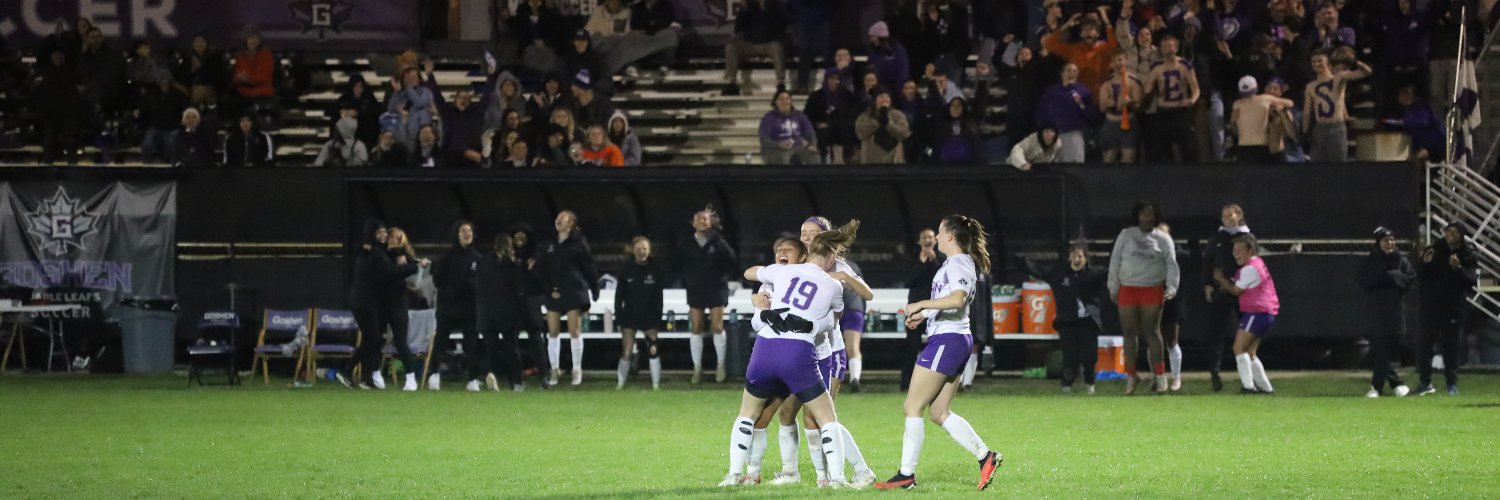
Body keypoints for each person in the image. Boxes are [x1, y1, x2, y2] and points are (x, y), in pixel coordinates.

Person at [722, 220, 870, 489]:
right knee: (824, 418)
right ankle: (832, 479)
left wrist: (764, 303)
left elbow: (750, 273)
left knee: (750, 413)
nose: (807, 237)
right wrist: (766, 307)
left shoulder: (781, 273)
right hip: (801, 351)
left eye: (812, 234)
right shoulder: (829, 284)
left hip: (769, 349)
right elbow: (832, 320)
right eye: (803, 234)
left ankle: (735, 475)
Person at [875, 214, 1003, 491]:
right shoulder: (957, 263)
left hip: (948, 340)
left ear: (948, 236)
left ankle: (906, 475)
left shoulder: (957, 263)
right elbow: (952, 302)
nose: (936, 232)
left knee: (912, 406)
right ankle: (986, 456)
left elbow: (957, 299)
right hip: (955, 338)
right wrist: (925, 314)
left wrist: (920, 303)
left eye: (940, 229)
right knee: (939, 411)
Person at [338, 220, 425, 389]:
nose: (386, 237)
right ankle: (350, 371)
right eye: (382, 233)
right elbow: (389, 273)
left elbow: (393, 267)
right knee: (373, 339)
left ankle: (368, 377)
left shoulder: (377, 251)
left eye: (387, 233)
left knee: (377, 340)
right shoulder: (375, 252)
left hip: (376, 303)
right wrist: (414, 266)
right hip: (367, 302)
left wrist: (404, 258)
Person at [1107, 201, 1179, 394]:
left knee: (1152, 332)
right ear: (1137, 216)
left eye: (1150, 214)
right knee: (1129, 333)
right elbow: (1115, 260)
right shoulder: (1126, 235)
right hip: (1128, 288)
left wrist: (1172, 286)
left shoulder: (1163, 238)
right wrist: (1113, 285)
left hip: (1152, 288)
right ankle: (1131, 375)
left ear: (1156, 217)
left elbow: (1171, 263)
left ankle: (1160, 375)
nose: (1146, 217)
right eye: (1143, 214)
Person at [1026, 244, 1108, 394]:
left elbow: (1109, 273)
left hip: (1088, 321)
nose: (1077, 259)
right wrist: (1022, 261)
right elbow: (1039, 271)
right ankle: (1066, 386)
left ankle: (1090, 384)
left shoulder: (1094, 274)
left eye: (1080, 257)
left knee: (1089, 355)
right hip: (1067, 322)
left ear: (1085, 259)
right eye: (1074, 256)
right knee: (1069, 355)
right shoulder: (1059, 274)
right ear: (1069, 257)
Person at [538, 211, 600, 386]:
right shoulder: (550, 243)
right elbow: (543, 269)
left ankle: (576, 369)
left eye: (562, 218)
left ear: (571, 223)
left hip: (574, 290)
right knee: (553, 331)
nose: (558, 219)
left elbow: (588, 266)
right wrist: (549, 289)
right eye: (557, 217)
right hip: (554, 292)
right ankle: (555, 370)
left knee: (574, 330)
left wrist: (594, 288)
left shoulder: (579, 243)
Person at [678, 209, 738, 384]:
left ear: (711, 222)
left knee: (717, 327)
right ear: (693, 223)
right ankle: (697, 368)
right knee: (696, 327)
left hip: (716, 289)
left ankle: (720, 366)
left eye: (705, 220)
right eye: (699, 219)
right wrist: (688, 281)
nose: (702, 222)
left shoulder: (718, 241)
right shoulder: (688, 243)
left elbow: (731, 260)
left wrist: (720, 277)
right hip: (696, 290)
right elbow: (678, 264)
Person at [1213, 234, 1279, 394]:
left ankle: (1248, 387)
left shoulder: (1250, 268)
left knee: (1238, 348)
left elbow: (1236, 291)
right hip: (1267, 312)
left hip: (1258, 312)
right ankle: (1266, 388)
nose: (1235, 253)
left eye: (1240, 249)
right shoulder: (1257, 263)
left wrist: (1221, 280)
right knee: (1250, 352)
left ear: (1251, 250)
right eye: (1234, 250)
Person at [1417, 223, 1476, 396]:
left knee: (1451, 348)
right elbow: (1420, 276)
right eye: (1448, 231)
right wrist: (1425, 263)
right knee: (1425, 346)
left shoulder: (1467, 254)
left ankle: (1451, 384)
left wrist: (1457, 268)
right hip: (1431, 306)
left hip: (1453, 307)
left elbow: (1470, 281)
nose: (1450, 234)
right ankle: (1425, 382)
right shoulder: (1435, 249)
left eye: (1455, 232)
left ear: (1461, 236)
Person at [1356, 226, 1415, 398]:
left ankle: (1387, 385)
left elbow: (1409, 280)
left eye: (1391, 239)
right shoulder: (1371, 261)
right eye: (1385, 240)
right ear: (1378, 243)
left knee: (1386, 349)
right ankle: (1381, 386)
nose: (1389, 243)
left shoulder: (1402, 260)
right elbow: (1365, 281)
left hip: (1396, 311)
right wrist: (1391, 277)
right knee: (1378, 348)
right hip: (1376, 311)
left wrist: (1392, 277)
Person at [1201, 204, 1250, 392]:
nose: (1227, 218)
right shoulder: (1217, 238)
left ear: (1239, 215)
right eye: (1224, 215)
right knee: (1215, 334)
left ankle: (1249, 378)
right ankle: (1215, 375)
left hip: (1242, 292)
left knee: (1247, 334)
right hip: (1220, 291)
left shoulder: (1247, 237)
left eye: (1231, 215)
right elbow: (1208, 262)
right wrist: (1207, 284)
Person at [432, 221, 483, 391]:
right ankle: (434, 375)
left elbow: (479, 282)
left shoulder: (477, 257)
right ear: (457, 234)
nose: (467, 233)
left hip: (469, 308)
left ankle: (473, 379)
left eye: (469, 231)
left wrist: (469, 285)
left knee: (471, 343)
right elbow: (437, 278)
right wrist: (449, 291)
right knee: (440, 341)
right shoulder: (446, 256)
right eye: (463, 231)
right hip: (448, 306)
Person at [474, 233, 527, 391]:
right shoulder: (513, 265)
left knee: (491, 349)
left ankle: (493, 374)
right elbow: (520, 289)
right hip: (507, 311)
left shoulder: (483, 263)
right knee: (511, 347)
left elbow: (478, 285)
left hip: (487, 311)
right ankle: (516, 382)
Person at [1302, 52, 1371, 162]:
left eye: (1320, 61)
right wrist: (1304, 132)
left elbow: (1366, 72)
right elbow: (1307, 111)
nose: (1316, 64)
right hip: (1319, 127)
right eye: (1314, 61)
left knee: (1337, 165)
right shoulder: (1310, 86)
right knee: (1316, 166)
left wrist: (1355, 61)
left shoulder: (1339, 78)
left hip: (1336, 127)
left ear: (1328, 62)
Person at [615, 237, 664, 390]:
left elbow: (659, 297)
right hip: (629, 315)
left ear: (649, 251)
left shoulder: (655, 269)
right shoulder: (626, 269)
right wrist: (619, 319)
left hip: (649, 317)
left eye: (644, 249)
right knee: (627, 350)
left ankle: (656, 385)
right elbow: (618, 297)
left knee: (653, 349)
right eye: (638, 249)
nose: (641, 252)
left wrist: (657, 319)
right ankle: (620, 383)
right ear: (633, 250)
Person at [1145, 35, 1200, 163]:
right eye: (1164, 47)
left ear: (1176, 48)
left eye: (1170, 46)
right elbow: (1148, 87)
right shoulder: (1156, 66)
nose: (1168, 49)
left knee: (1187, 147)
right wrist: (1145, 91)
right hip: (1163, 110)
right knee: (1160, 148)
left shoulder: (1185, 65)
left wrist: (1193, 99)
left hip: (1181, 110)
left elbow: (1196, 88)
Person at [900, 229, 941, 391]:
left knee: (937, 346)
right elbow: (908, 281)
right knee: (912, 346)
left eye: (930, 237)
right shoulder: (912, 259)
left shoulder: (942, 259)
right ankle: (906, 384)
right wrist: (922, 262)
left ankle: (936, 384)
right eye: (924, 237)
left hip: (935, 309)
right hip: (915, 310)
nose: (927, 240)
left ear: (935, 241)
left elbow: (942, 281)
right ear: (919, 241)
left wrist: (934, 260)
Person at [512, 228, 553, 388]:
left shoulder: (536, 257)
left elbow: (543, 280)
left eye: (523, 236)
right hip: (513, 303)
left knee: (536, 338)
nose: (520, 240)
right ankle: (516, 378)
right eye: (516, 236)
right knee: (511, 340)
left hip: (531, 302)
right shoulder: (508, 257)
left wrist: (532, 269)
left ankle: (543, 375)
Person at [1036, 63, 1098, 162]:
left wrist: (1081, 104)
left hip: (1073, 136)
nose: (1071, 73)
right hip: (1052, 136)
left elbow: (1092, 116)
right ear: (1062, 73)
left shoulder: (1084, 91)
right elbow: (1041, 112)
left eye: (1075, 71)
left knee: (1075, 169)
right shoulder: (1051, 91)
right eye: (1068, 70)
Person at [723, 0, 787, 95]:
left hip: (768, 44)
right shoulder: (748, 8)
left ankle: (780, 84)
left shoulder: (774, 7)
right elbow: (738, 28)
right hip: (749, 43)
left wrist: (765, 9)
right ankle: (732, 82)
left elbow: (779, 25)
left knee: (777, 47)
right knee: (731, 47)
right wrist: (744, 10)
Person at [1229, 76, 1297, 163]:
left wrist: (1283, 115)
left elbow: (1292, 135)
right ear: (1263, 89)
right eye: (1269, 87)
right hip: (1256, 152)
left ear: (1281, 92)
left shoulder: (1283, 110)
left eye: (1275, 89)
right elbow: (1236, 130)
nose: (1271, 91)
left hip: (1276, 155)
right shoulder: (1255, 105)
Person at [804, 68, 857, 164]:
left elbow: (851, 118)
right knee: (823, 132)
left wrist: (831, 124)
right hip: (821, 132)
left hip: (842, 129)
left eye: (838, 79)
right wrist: (818, 124)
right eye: (832, 78)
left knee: (843, 131)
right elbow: (807, 117)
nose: (835, 81)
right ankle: (824, 158)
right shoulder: (816, 96)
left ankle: (841, 159)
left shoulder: (848, 96)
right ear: (826, 79)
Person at [1098, 52, 1143, 163]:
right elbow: (1102, 107)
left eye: (1120, 59)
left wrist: (1130, 103)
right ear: (1110, 64)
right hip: (1110, 123)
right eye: (1115, 60)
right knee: (1108, 160)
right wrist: (1113, 103)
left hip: (1129, 123)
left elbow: (1139, 106)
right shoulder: (1106, 83)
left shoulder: (1134, 82)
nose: (1118, 63)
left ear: (1126, 61)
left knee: (1128, 160)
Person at [758, 90, 821, 165]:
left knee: (814, 157)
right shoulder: (768, 118)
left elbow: (810, 133)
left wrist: (813, 144)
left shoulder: (799, 115)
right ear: (776, 102)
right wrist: (779, 145)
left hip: (797, 147)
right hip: (775, 149)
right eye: (781, 99)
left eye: (787, 99)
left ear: (791, 101)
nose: (784, 102)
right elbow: (764, 140)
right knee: (781, 156)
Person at [853, 87, 912, 164]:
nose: (885, 99)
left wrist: (888, 123)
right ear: (874, 100)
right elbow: (861, 134)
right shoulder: (865, 116)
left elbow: (904, 133)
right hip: (871, 162)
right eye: (881, 96)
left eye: (887, 97)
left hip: (894, 162)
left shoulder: (898, 115)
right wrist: (878, 122)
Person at [868, 22, 910, 89]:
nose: (871, 39)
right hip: (879, 89)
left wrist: (899, 88)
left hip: (896, 88)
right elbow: (871, 70)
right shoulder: (873, 52)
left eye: (873, 36)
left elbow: (903, 72)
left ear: (880, 37)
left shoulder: (897, 50)